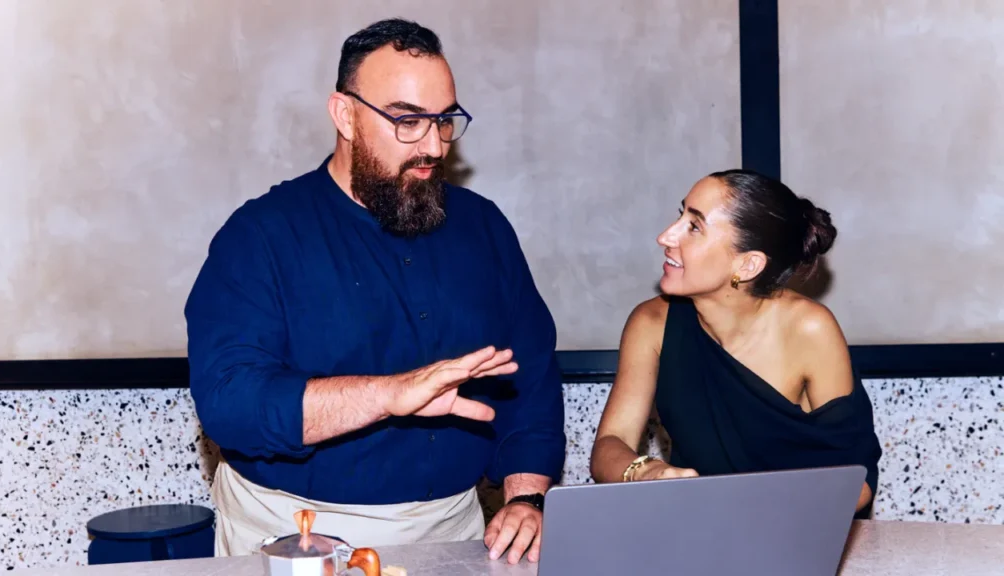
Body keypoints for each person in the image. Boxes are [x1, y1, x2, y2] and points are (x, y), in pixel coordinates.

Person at [184, 18, 564, 565]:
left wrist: (527, 496)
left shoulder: (484, 228)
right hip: (295, 536)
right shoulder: (260, 236)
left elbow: (529, 378)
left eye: (445, 120)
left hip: (455, 527)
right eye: (408, 121)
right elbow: (231, 403)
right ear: (345, 114)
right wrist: (387, 395)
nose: (433, 145)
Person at [589, 169, 882, 519]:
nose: (665, 236)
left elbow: (857, 482)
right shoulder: (650, 324)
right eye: (680, 215)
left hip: (799, 532)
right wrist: (646, 471)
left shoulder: (809, 329)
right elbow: (610, 445)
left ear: (747, 264)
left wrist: (756, 518)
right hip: (695, 529)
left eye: (694, 227)